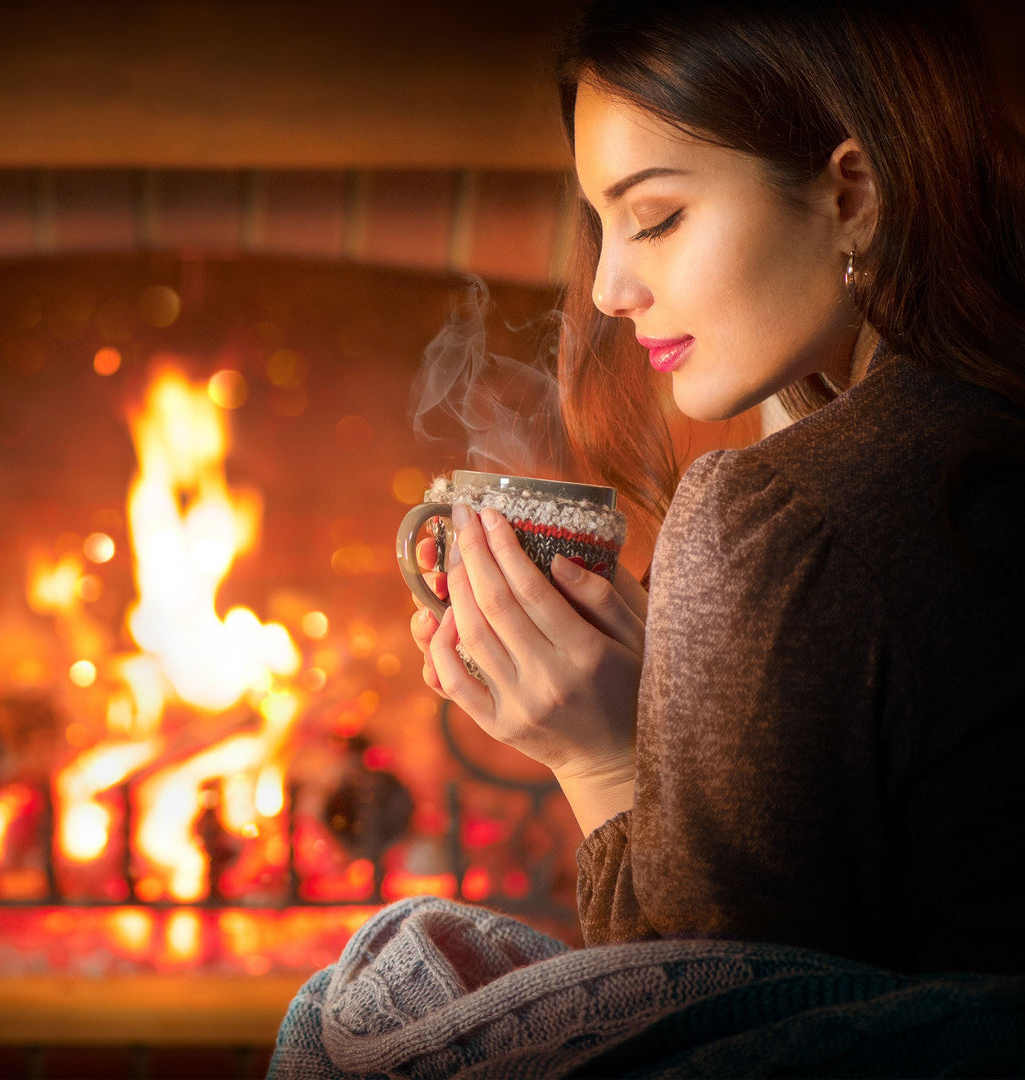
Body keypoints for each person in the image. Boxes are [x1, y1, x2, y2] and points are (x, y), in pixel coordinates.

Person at [409, 0, 1025, 975]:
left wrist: (602, 757)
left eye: (655, 217)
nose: (609, 287)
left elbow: (697, 1022)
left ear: (853, 193)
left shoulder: (779, 514)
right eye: (601, 225)